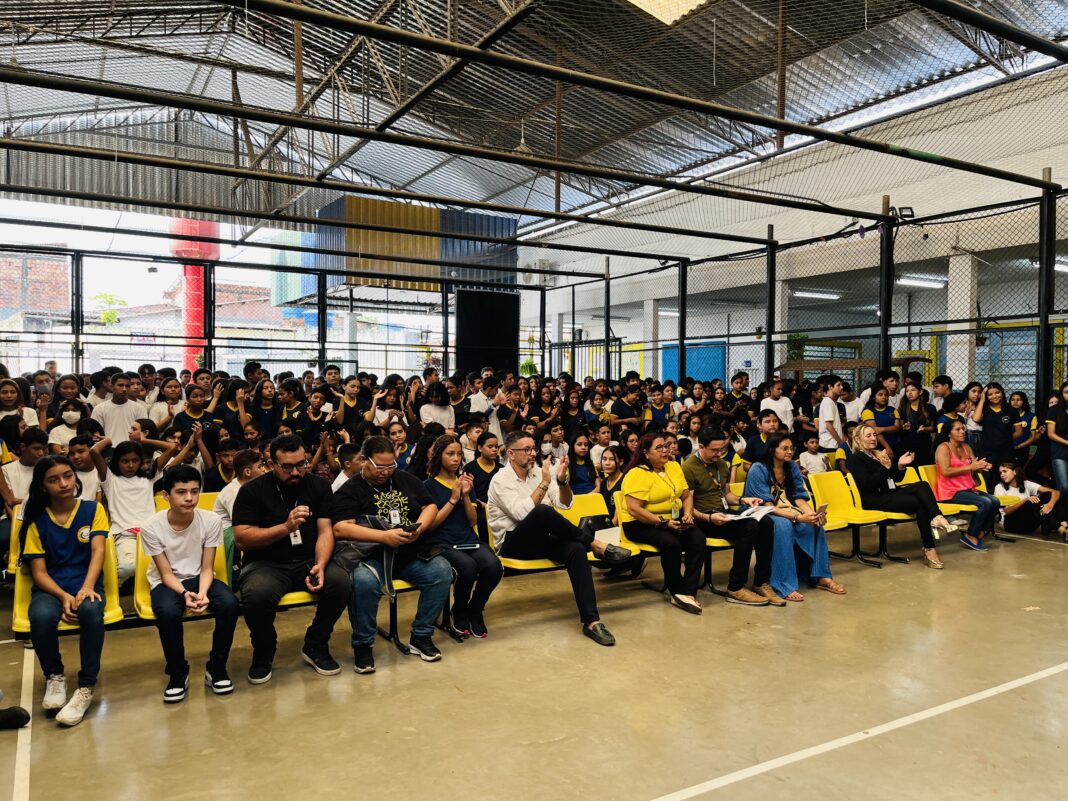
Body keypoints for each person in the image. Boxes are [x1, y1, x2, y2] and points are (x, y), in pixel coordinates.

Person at [486, 430, 632, 646]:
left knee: (576, 549)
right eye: (526, 450)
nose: (532, 453)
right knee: (542, 512)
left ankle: (591, 621)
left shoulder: (538, 472)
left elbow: (565, 504)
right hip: (512, 543)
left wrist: (562, 482)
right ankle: (594, 543)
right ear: (511, 454)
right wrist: (545, 482)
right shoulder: (500, 480)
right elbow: (521, 514)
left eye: (533, 449)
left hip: (541, 539)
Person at [231, 434, 351, 683]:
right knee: (256, 595)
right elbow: (242, 538)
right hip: (266, 563)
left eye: (301, 464)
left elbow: (325, 530)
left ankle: (316, 644)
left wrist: (320, 563)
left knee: (340, 582)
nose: (296, 471)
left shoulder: (318, 485)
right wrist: (285, 528)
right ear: (271, 463)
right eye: (287, 467)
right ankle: (264, 649)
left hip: (308, 559)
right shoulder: (252, 491)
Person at [332, 436, 452, 673]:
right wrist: (383, 537)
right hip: (371, 557)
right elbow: (340, 528)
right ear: (364, 461)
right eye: (380, 466)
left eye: (391, 466)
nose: (386, 472)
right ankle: (363, 645)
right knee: (363, 583)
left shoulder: (404, 479)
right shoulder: (350, 489)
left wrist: (418, 527)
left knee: (441, 571)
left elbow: (430, 506)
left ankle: (421, 635)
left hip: (408, 552)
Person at [18, 456, 107, 727]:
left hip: (87, 581)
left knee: (92, 612)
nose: (64, 483)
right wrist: (65, 597)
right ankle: (54, 676)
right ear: (43, 486)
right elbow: (40, 573)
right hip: (51, 587)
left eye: (68, 476)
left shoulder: (93, 509)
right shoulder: (35, 520)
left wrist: (87, 587)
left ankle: (86, 687)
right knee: (41, 617)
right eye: (53, 479)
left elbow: (98, 551)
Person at [141, 465, 240, 702]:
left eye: (195, 491)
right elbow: (165, 574)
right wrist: (186, 594)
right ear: (166, 495)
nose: (189, 498)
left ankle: (216, 668)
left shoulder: (211, 521)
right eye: (181, 492)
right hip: (169, 582)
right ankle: (178, 672)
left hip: (201, 577)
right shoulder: (151, 527)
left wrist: (203, 592)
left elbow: (207, 568)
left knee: (229, 604)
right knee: (167, 613)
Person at [681, 426, 781, 606]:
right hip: (703, 517)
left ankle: (761, 582)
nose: (719, 454)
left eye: (721, 449)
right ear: (701, 447)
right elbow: (688, 506)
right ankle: (736, 587)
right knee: (749, 527)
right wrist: (709, 518)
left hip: (722, 512)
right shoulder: (688, 468)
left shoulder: (721, 464)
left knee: (766, 522)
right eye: (714, 450)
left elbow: (726, 495)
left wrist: (744, 500)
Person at [744, 433, 844, 602]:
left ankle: (821, 576)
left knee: (815, 524)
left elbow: (799, 498)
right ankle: (784, 584)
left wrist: (811, 514)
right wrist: (797, 518)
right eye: (785, 448)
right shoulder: (758, 468)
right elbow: (767, 506)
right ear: (772, 449)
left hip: (786, 509)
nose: (790, 452)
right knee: (783, 526)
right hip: (760, 512)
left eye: (791, 448)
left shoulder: (791, 467)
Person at [847, 422, 957, 569]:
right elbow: (868, 484)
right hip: (874, 499)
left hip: (889, 492)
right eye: (868, 435)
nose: (873, 438)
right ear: (858, 440)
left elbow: (894, 479)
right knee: (919, 503)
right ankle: (929, 548)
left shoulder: (877, 454)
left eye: (874, 434)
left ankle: (937, 517)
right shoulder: (856, 459)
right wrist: (885, 467)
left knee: (922, 485)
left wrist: (900, 465)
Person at [424, 435, 503, 638]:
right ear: (438, 456)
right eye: (450, 454)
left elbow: (472, 521)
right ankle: (458, 610)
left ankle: (475, 609)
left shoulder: (465, 482)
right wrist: (452, 499)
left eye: (459, 454)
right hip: (442, 542)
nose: (456, 458)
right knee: (467, 568)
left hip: (467, 538)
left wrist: (466, 495)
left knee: (494, 567)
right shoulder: (428, 486)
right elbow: (430, 526)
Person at [619, 433, 705, 614]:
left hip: (671, 518)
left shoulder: (673, 466)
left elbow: (686, 495)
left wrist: (688, 515)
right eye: (659, 448)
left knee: (697, 537)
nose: (665, 450)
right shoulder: (637, 473)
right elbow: (634, 509)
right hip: (639, 523)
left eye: (666, 446)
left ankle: (689, 592)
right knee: (670, 543)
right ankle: (676, 590)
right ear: (645, 453)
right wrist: (664, 523)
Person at [91, 432, 182, 584]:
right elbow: (94, 452)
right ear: (117, 461)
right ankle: (113, 589)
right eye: (125, 461)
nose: (131, 465)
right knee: (127, 567)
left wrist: (143, 440)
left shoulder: (149, 477)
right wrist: (107, 440)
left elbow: (172, 448)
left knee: (175, 567)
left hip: (152, 534)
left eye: (135, 460)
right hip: (125, 534)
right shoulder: (110, 479)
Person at [934, 419, 1000, 552]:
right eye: (957, 429)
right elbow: (946, 471)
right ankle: (971, 535)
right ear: (949, 433)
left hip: (967, 488)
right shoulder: (943, 448)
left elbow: (974, 468)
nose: (962, 431)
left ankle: (979, 534)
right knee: (985, 502)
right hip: (950, 491)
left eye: (963, 428)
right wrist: (971, 466)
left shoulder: (966, 447)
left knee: (995, 501)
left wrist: (982, 467)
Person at [996, 460, 1063, 537]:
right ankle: (1062, 529)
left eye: (1005, 471)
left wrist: (1050, 505)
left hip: (1029, 524)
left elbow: (1056, 492)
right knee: (1032, 501)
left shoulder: (1026, 483)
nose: (1002, 474)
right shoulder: (999, 487)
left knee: (1048, 494)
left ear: (1015, 472)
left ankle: (1062, 523)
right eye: (1000, 473)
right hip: (1010, 525)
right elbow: (1006, 511)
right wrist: (1025, 500)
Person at [90, 372, 147, 444]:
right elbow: (96, 434)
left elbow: (142, 432)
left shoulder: (139, 408)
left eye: (127, 386)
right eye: (120, 385)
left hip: (132, 448)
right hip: (108, 448)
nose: (124, 389)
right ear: (111, 386)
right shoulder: (99, 409)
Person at [817, 375, 847, 456]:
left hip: (831, 443)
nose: (841, 387)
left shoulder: (831, 402)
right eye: (838, 385)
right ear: (830, 386)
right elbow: (828, 425)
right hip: (829, 444)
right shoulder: (828, 402)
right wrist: (840, 442)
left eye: (842, 385)